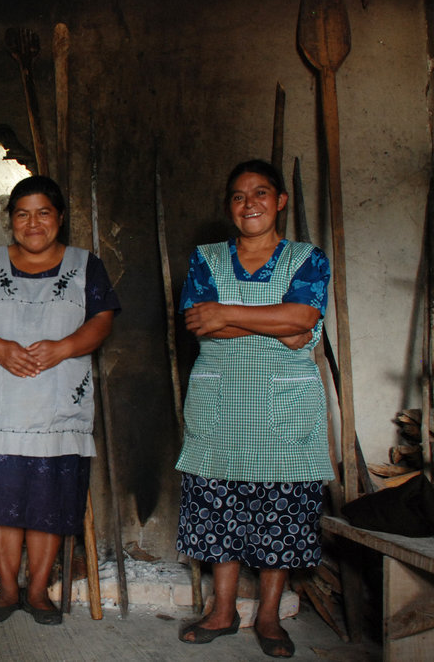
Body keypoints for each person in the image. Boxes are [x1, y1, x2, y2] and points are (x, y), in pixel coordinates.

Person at [175, 159, 333, 658]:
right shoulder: (206, 258)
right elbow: (200, 323)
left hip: (283, 406)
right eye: (239, 196)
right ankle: (222, 611)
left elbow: (304, 316)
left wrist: (227, 312)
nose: (250, 204)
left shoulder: (308, 258)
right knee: (219, 507)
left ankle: (268, 616)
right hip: (221, 401)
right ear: (230, 207)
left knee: (279, 511)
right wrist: (279, 326)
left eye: (261, 193)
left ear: (280, 201)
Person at [0, 175, 120, 625]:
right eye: (22, 214)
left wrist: (64, 347)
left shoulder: (85, 266)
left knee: (49, 502)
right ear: (10, 220)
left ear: (59, 217)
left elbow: (102, 319)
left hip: (56, 405)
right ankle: (8, 589)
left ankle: (39, 590)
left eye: (43, 213)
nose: (33, 223)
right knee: (1, 500)